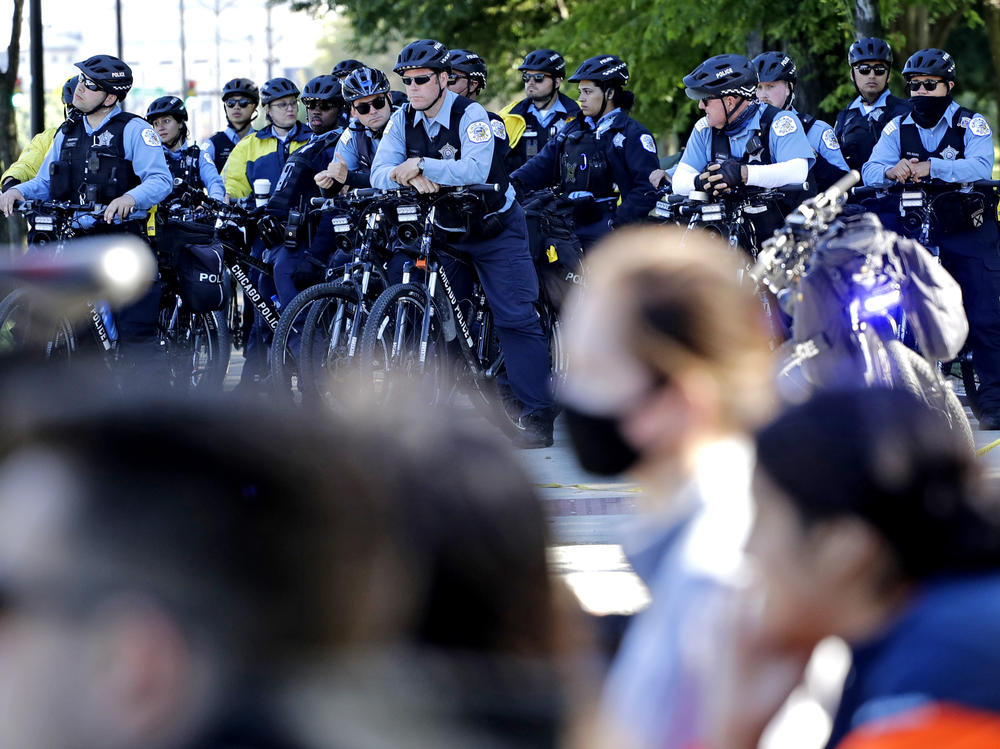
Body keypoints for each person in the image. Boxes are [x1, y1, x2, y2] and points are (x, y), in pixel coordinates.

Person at [558, 225, 775, 749]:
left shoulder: (714, 587)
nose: (570, 393)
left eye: (592, 370)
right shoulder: (721, 531)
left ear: (681, 396)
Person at [715, 387, 1000, 749]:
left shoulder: (941, 671)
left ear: (845, 546)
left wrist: (734, 736)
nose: (746, 548)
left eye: (762, 517)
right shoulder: (921, 635)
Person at [370, 39, 556, 448]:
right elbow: (379, 172)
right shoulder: (402, 119)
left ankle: (539, 415)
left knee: (515, 318)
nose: (413, 88)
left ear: (442, 79)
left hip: (495, 229)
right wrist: (410, 176)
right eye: (407, 80)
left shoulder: (474, 116)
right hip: (447, 231)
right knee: (436, 320)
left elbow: (476, 167)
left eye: (422, 80)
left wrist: (420, 163)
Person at [0, 55, 172, 373]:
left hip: (123, 246)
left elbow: (161, 180)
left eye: (89, 84)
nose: (79, 88)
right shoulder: (67, 131)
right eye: (79, 80)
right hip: (78, 247)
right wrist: (17, 191)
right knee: (82, 345)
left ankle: (155, 414)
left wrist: (130, 198)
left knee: (137, 344)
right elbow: (45, 182)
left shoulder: (134, 129)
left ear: (110, 97)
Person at [862, 48, 1000, 429]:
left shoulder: (971, 124)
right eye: (914, 86)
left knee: (986, 313)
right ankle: (911, 396)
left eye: (930, 85)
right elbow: (870, 168)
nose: (921, 92)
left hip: (968, 229)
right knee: (902, 308)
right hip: (918, 228)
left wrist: (931, 166)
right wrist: (892, 170)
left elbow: (980, 165)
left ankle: (993, 400)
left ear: (949, 86)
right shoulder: (897, 126)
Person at [510, 54, 659, 249]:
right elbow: (541, 164)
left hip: (611, 232)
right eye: (580, 92)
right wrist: (510, 185)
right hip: (568, 225)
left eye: (588, 92)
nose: (581, 99)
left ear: (610, 93)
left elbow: (647, 189)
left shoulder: (633, 134)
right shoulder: (573, 128)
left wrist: (617, 224)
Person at [671, 53, 814, 244]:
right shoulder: (704, 128)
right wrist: (701, 181)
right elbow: (678, 181)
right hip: (725, 236)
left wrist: (743, 173)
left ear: (730, 101)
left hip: (780, 238)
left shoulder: (779, 121)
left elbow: (798, 171)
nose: (699, 105)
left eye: (705, 99)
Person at [224, 76, 311, 388]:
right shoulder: (250, 145)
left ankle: (303, 364)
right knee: (260, 307)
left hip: (305, 234)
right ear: (267, 111)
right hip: (262, 235)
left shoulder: (311, 139)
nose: (290, 109)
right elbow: (231, 187)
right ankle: (263, 376)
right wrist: (234, 201)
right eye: (282, 105)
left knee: (290, 298)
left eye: (293, 103)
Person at [267, 74, 346, 308]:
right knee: (264, 283)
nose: (316, 111)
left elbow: (336, 205)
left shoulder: (343, 144)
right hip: (292, 231)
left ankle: (304, 343)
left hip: (320, 238)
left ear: (341, 108)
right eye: (311, 104)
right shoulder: (314, 142)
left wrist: (314, 256)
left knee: (285, 273)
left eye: (325, 105)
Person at [753, 51, 850, 191]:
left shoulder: (817, 130)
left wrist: (813, 158)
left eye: (770, 86)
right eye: (759, 87)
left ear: (789, 88)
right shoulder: (749, 131)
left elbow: (846, 182)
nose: (763, 95)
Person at [834, 37, 911, 172]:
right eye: (864, 69)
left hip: (895, 190)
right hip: (853, 190)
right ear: (852, 74)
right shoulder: (844, 117)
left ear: (889, 75)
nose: (871, 75)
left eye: (879, 69)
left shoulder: (906, 111)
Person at [500, 49, 580, 173]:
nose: (530, 82)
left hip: (566, 190)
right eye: (526, 77)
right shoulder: (508, 115)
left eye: (539, 77)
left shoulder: (581, 113)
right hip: (521, 189)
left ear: (557, 81)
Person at [319, 65, 393, 191]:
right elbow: (339, 184)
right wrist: (326, 185)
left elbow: (401, 176)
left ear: (390, 98)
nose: (373, 111)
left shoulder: (408, 122)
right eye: (363, 108)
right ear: (353, 111)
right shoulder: (353, 134)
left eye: (378, 103)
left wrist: (351, 178)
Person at [1, 76, 78, 192]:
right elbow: (27, 165)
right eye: (70, 107)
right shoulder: (51, 136)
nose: (75, 112)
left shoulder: (111, 133)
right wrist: (12, 180)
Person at [146, 95, 225, 202]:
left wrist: (214, 202)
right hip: (157, 218)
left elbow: (214, 182)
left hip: (194, 217)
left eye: (166, 121)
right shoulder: (150, 157)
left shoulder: (199, 155)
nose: (160, 127)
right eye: (156, 123)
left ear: (180, 123)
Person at [202, 77, 259, 174]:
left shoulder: (264, 140)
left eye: (243, 102)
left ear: (254, 106)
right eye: (230, 103)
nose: (236, 107)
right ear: (225, 107)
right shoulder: (212, 144)